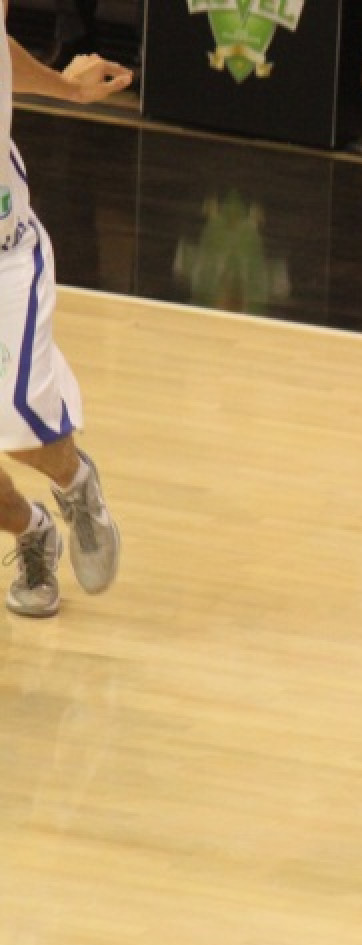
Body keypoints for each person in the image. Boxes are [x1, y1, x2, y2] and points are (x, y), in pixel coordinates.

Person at [1, 2, 130, 616]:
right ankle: (32, 529)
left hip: (3, 253)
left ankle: (74, 481)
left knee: (15, 423)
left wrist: (64, 89)